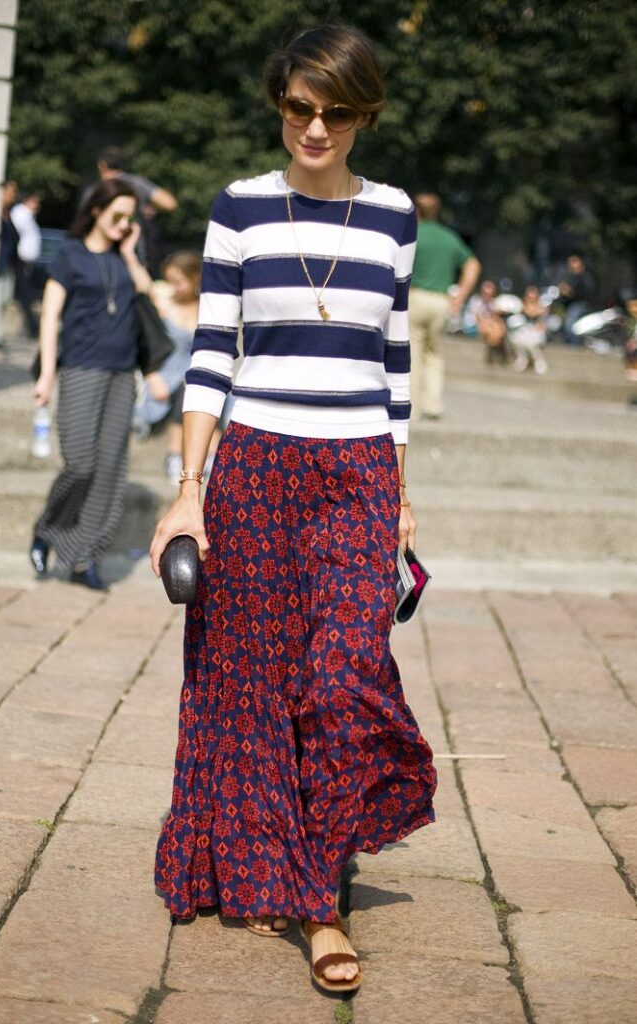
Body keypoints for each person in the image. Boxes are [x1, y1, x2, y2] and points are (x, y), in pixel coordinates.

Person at [149, 23, 437, 995]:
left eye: (337, 111)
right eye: (297, 107)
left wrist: (397, 496)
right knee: (252, 675)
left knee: (344, 669)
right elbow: (209, 358)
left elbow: (394, 368)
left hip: (357, 470)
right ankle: (316, 903)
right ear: (278, 104)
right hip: (256, 469)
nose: (315, 127)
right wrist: (186, 492)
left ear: (365, 114)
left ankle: (304, 860)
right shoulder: (239, 209)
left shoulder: (393, 216)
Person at [30, 178, 153, 590]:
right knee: (81, 463)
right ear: (96, 211)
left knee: (109, 472)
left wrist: (132, 254)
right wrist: (47, 373)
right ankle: (48, 529)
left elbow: (146, 293)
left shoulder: (125, 258)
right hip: (81, 368)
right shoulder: (70, 256)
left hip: (122, 373)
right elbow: (50, 317)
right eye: (117, 215)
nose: (123, 223)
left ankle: (84, 559)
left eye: (129, 218)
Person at [407, 193, 481, 419]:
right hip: (441, 301)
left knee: (413, 352)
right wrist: (460, 296)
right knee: (434, 353)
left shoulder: (411, 233)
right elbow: (473, 265)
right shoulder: (449, 238)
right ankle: (434, 406)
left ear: (417, 211)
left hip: (415, 297)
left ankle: (414, 406)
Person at [134, 251, 202, 482]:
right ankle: (175, 456)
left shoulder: (208, 308)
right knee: (188, 391)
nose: (174, 287)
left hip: (193, 375)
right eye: (170, 281)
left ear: (194, 279)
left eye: (179, 281)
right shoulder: (163, 304)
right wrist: (152, 376)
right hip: (165, 375)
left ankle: (208, 457)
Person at [80, 145, 178, 273]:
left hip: (96, 255)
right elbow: (170, 203)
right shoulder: (137, 183)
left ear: (101, 165)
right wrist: (150, 208)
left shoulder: (94, 191)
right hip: (135, 254)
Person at [10, 191, 42, 338]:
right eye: (35, 202)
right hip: (21, 261)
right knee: (26, 296)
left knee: (28, 296)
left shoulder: (28, 216)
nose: (37, 205)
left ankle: (32, 327)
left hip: (27, 262)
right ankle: (33, 328)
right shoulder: (20, 214)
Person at [0, 180, 19, 348]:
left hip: (5, 264)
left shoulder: (7, 215)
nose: (12, 196)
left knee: (1, 301)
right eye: (10, 192)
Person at [509, 286, 548, 374]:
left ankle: (539, 361)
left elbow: (542, 326)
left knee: (531, 341)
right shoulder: (520, 307)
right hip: (523, 332)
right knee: (515, 338)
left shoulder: (542, 309)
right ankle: (522, 359)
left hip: (536, 334)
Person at [559, 254, 594, 344]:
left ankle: (574, 346)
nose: (571, 264)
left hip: (580, 304)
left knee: (570, 326)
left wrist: (569, 291)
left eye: (574, 261)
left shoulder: (585, 277)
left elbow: (583, 293)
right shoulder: (570, 276)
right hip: (571, 304)